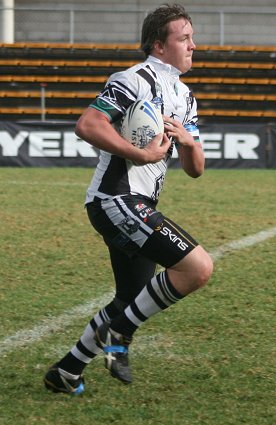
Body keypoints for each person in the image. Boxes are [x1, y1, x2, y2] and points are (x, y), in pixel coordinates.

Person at [44, 3, 213, 394]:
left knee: (131, 297)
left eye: (192, 37)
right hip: (116, 200)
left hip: (138, 206)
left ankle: (66, 372)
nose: (193, 45)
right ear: (158, 44)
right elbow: (88, 124)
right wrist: (141, 154)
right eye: (184, 38)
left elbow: (196, 169)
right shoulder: (132, 80)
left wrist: (187, 143)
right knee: (197, 268)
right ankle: (119, 335)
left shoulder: (185, 96)